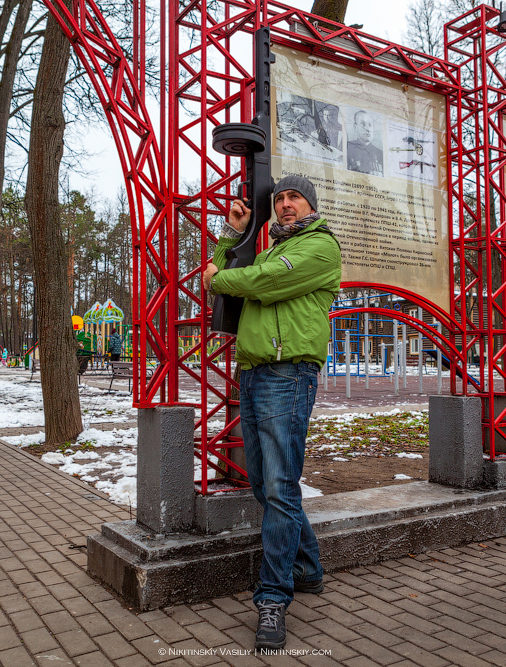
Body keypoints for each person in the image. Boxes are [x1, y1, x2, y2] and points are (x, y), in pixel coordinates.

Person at [202, 175, 342, 652]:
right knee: (265, 485)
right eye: (279, 199)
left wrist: (219, 276)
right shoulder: (267, 248)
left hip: (288, 373)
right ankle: (307, 569)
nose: (285, 205)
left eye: (294, 198)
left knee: (280, 487)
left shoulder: (319, 247)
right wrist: (232, 236)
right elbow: (234, 281)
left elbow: (264, 282)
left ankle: (273, 597)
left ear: (311, 205)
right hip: (257, 372)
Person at [346, 110, 383, 175]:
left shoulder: (380, 154)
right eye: (363, 124)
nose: (367, 129)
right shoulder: (347, 147)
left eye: (370, 125)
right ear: (355, 127)